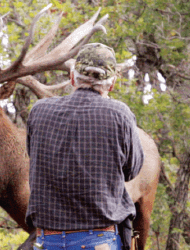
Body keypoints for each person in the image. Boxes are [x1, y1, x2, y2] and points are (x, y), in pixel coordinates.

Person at [26, 43, 145, 250]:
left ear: (72, 78)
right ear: (112, 84)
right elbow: (131, 171)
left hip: (46, 241)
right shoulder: (119, 114)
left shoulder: (39, 110)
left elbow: (32, 156)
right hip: (99, 241)